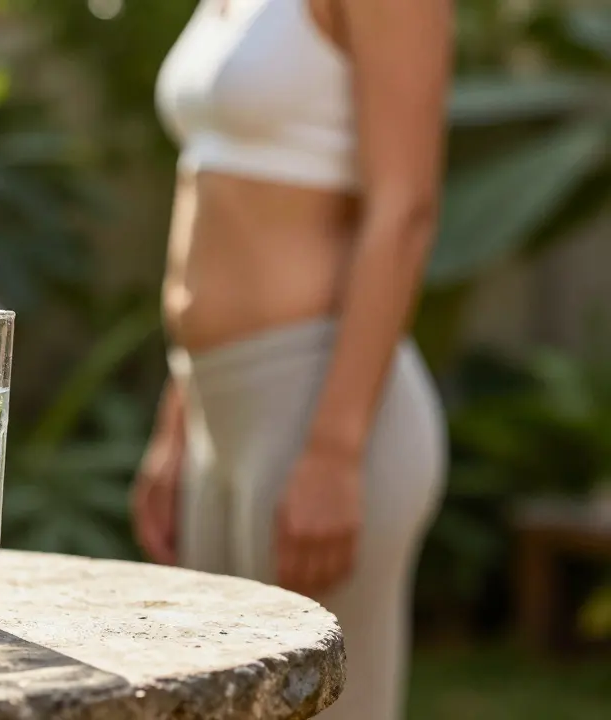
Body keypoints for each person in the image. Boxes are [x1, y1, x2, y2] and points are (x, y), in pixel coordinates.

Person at [132, 1, 450, 718]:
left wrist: (335, 454)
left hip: (316, 404)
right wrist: (180, 416)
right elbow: (212, 191)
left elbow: (405, 209)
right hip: (222, 411)